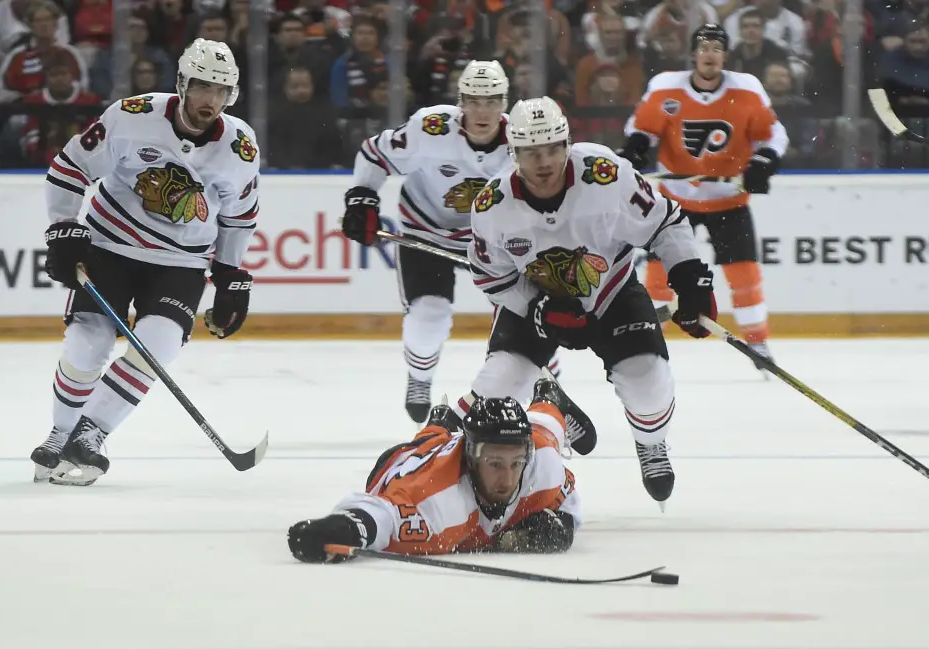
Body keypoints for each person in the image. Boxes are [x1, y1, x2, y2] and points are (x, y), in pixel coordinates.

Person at [458, 96, 716, 509]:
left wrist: (689, 278)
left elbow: (665, 222)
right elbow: (494, 278)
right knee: (495, 392)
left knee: (648, 382)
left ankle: (650, 442)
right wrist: (539, 311)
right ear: (514, 154)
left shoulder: (607, 174)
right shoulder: (492, 207)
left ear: (567, 144)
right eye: (530, 153)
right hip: (538, 300)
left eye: (551, 149)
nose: (543, 162)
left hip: (611, 291)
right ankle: (544, 410)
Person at [31, 38, 260, 486]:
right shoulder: (132, 116)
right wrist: (63, 228)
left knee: (158, 345)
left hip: (181, 261)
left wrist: (231, 273)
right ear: (181, 84)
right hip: (109, 245)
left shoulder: (240, 147)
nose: (210, 100)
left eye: (221, 91)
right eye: (201, 87)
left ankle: (91, 433)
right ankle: (59, 435)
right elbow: (70, 167)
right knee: (86, 344)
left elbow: (240, 215)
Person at [340, 60, 559, 425]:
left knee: (531, 315)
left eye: (491, 101)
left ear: (504, 103)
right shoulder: (429, 129)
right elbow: (374, 154)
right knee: (429, 316)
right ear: (460, 102)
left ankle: (547, 396)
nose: (482, 111)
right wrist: (363, 197)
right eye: (473, 101)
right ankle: (420, 377)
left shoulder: (523, 141)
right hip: (426, 230)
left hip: (492, 242)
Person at [620, 24, 788, 371]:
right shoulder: (666, 87)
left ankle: (758, 344)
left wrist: (762, 161)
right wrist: (637, 145)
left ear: (724, 56)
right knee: (658, 274)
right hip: (675, 201)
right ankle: (647, 343)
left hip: (729, 200)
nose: (709, 54)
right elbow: (642, 127)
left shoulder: (746, 89)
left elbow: (773, 136)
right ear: (694, 54)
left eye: (716, 48)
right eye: (703, 47)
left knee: (744, 275)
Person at [287, 373, 595, 560]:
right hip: (406, 461)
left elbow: (567, 498)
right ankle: (438, 426)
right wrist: (341, 529)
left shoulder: (540, 462)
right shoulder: (437, 502)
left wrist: (564, 526)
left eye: (516, 462)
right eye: (495, 463)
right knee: (428, 442)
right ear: (471, 457)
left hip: (493, 444)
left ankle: (547, 397)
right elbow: (381, 516)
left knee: (545, 428)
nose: (508, 477)